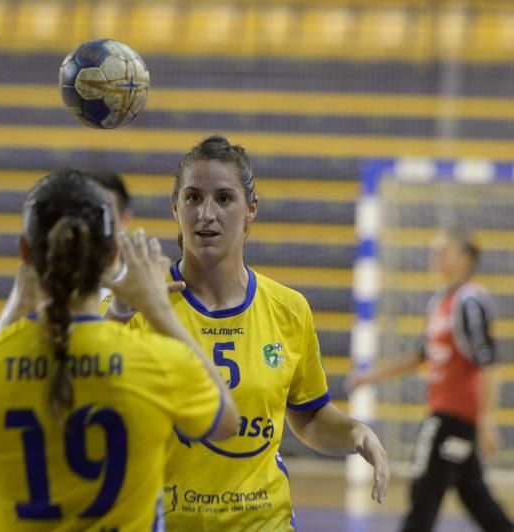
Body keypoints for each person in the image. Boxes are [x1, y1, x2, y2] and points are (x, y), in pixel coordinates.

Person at [0, 168, 239, 531]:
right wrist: (158, 311)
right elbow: (227, 422)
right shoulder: (156, 361)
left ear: (24, 252)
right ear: (113, 254)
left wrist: (14, 310)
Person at [122, 135, 389, 530]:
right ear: (174, 207)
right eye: (194, 198)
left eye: (224, 198)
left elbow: (310, 417)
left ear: (251, 209)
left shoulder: (288, 309)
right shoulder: (137, 307)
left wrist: (356, 432)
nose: (206, 214)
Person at [347, 228, 514, 532]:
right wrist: (369, 377)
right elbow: (421, 356)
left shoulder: (470, 302)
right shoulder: (440, 302)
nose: (435, 258)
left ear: (464, 258)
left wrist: (487, 419)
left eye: (442, 251)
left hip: (451, 418)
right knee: (473, 493)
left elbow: (490, 363)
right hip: (450, 417)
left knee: (423, 488)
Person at [0, 169, 150, 330]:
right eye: (82, 215)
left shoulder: (142, 289)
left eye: (97, 217)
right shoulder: (37, 284)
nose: (86, 227)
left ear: (125, 220)